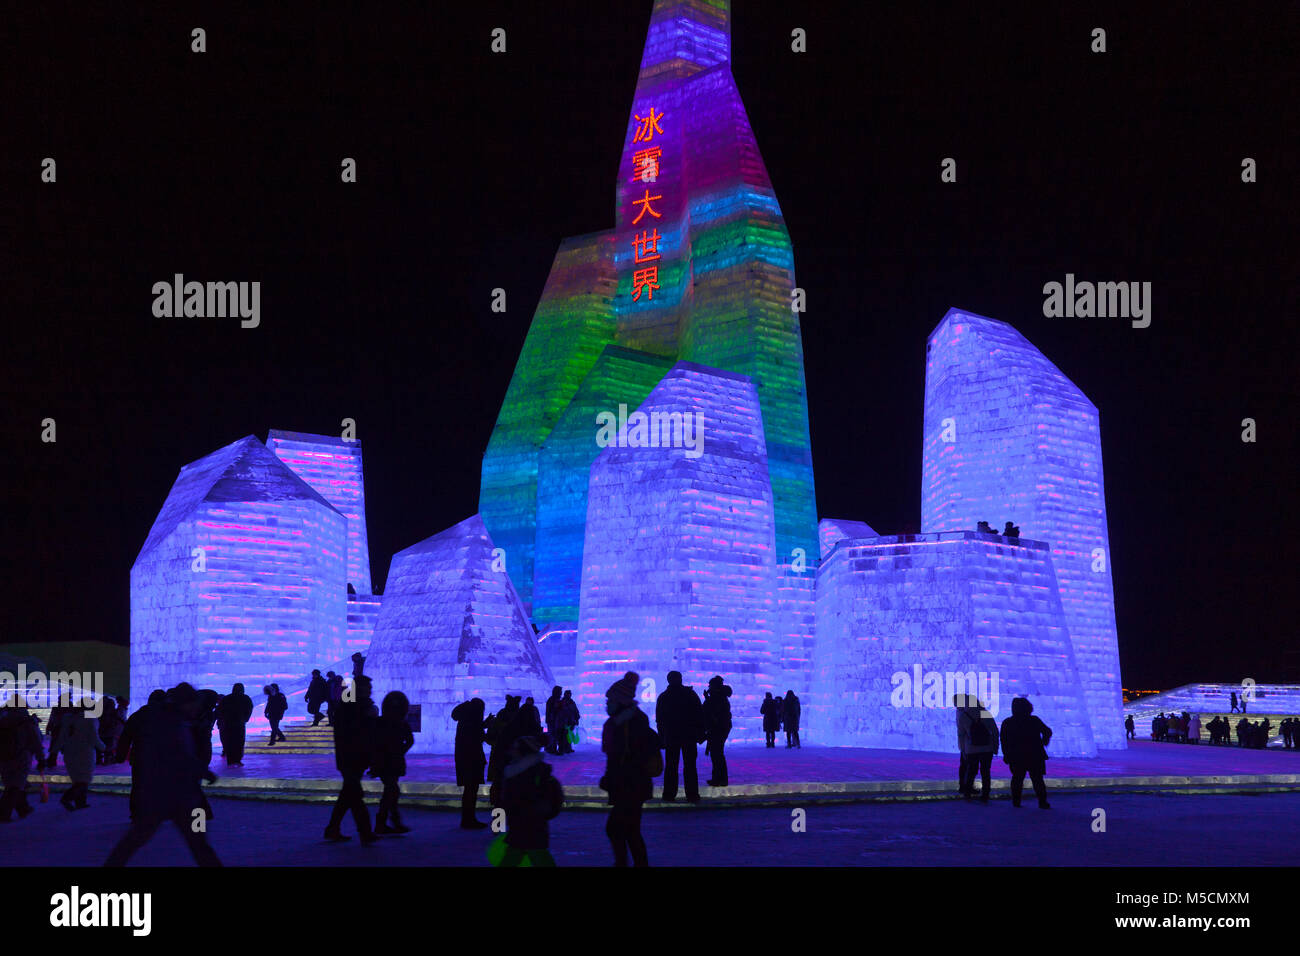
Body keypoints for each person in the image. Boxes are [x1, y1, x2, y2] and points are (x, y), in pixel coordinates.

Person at [104, 683, 221, 866]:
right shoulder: (169, 722)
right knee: (195, 842)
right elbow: (178, 755)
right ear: (186, 703)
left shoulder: (172, 719)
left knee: (194, 841)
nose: (196, 708)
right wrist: (203, 771)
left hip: (170, 794)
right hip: (169, 795)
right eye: (194, 704)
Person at [600, 672, 660, 867]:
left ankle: (624, 863)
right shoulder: (625, 722)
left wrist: (614, 777)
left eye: (610, 699)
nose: (607, 703)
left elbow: (623, 756)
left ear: (620, 701)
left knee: (617, 828)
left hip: (630, 785)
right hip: (631, 785)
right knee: (629, 830)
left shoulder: (629, 724)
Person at [495, 735, 564, 866]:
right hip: (528, 825)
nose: (511, 751)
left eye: (515, 749)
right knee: (522, 855)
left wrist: (498, 824)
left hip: (528, 825)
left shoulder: (522, 774)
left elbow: (507, 801)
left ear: (523, 752)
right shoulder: (519, 772)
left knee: (529, 855)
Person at [324, 675, 377, 844]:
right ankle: (365, 833)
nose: (370, 690)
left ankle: (332, 829)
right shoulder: (351, 707)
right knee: (355, 796)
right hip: (351, 757)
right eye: (366, 687)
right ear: (358, 688)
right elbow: (354, 732)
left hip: (355, 757)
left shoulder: (357, 706)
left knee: (347, 795)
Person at [655, 671, 703, 803]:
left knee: (671, 766)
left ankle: (669, 794)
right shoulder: (690, 694)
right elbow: (699, 714)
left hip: (671, 735)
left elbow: (659, 720)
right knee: (690, 766)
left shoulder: (664, 697)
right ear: (680, 679)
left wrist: (661, 737)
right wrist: (700, 733)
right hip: (689, 735)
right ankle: (692, 795)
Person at [51, 701, 107, 810]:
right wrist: (103, 747)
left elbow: (61, 736)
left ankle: (80, 802)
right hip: (85, 752)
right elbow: (94, 737)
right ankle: (68, 798)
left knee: (77, 779)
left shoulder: (69, 719)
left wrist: (55, 750)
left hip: (69, 752)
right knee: (84, 780)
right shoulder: (90, 720)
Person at [999, 696, 1052, 809]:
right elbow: (1047, 731)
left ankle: (1016, 801)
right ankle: (1042, 802)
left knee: (1017, 779)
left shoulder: (1008, 722)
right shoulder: (1034, 720)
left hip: (1016, 755)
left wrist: (1006, 754)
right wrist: (1044, 741)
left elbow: (1004, 741)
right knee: (1038, 780)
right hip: (1035, 755)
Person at [372, 691, 414, 834]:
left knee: (391, 790)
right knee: (392, 790)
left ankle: (386, 822)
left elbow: (373, 742)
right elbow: (409, 741)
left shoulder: (380, 722)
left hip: (385, 761)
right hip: (390, 761)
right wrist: (399, 751)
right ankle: (388, 822)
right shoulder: (401, 723)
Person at [0, 695, 46, 822]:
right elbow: (36, 741)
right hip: (21, 756)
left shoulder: (2, 718)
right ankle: (4, 813)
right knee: (15, 786)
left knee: (13, 783)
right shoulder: (26, 720)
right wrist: (41, 758)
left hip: (3, 756)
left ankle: (23, 808)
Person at [452, 698, 489, 829]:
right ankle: (469, 820)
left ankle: (467, 819)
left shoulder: (465, 720)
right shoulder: (472, 722)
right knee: (471, 790)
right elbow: (480, 737)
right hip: (472, 760)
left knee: (469, 790)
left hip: (465, 759)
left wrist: (484, 724)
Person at [956, 694, 999, 802]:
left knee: (971, 771)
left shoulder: (964, 716)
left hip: (971, 748)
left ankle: (967, 793)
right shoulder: (986, 713)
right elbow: (994, 731)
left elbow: (961, 735)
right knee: (986, 772)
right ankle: (985, 795)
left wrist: (962, 749)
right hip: (987, 748)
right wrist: (995, 747)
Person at [486, 695, 522, 799]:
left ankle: (499, 810)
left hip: (500, 754)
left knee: (500, 784)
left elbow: (490, 737)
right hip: (512, 756)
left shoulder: (502, 715)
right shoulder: (518, 717)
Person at [702, 675, 732, 787]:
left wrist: (707, 699)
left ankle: (720, 779)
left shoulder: (717, 697)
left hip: (718, 728)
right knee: (717, 754)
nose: (709, 687)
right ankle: (718, 778)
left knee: (717, 754)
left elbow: (710, 709)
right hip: (720, 727)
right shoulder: (719, 696)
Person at [216, 683, 253, 766]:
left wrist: (221, 720)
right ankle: (238, 759)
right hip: (240, 723)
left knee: (230, 742)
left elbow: (220, 710)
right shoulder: (246, 698)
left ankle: (231, 760)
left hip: (228, 724)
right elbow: (249, 709)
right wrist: (246, 719)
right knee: (239, 742)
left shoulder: (227, 698)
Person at [544, 686, 564, 755]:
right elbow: (550, 711)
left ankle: (552, 748)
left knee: (556, 735)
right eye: (560, 691)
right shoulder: (552, 699)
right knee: (553, 735)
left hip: (557, 720)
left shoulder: (556, 699)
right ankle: (552, 749)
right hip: (553, 720)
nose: (561, 692)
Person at [559, 690, 580, 754]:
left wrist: (577, 718)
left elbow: (576, 711)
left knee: (569, 735)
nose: (568, 695)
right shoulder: (562, 702)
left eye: (569, 694)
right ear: (565, 694)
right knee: (563, 735)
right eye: (567, 694)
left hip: (571, 721)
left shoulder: (572, 702)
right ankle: (562, 748)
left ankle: (568, 748)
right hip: (564, 721)